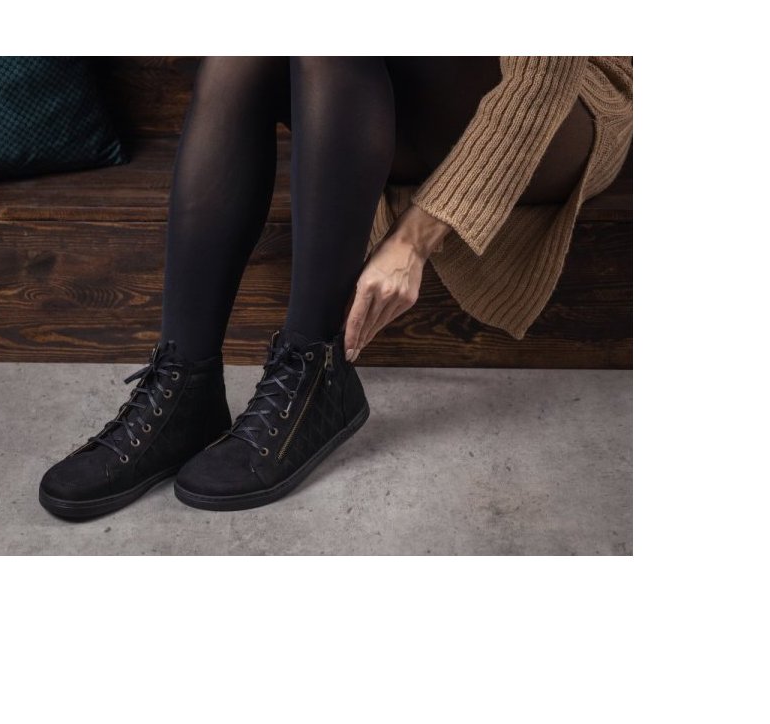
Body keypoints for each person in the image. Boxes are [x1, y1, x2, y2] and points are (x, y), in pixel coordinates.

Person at [38, 57, 633, 520]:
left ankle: (314, 367)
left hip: (563, 112)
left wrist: (414, 239)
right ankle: (183, 384)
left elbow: (542, 83)